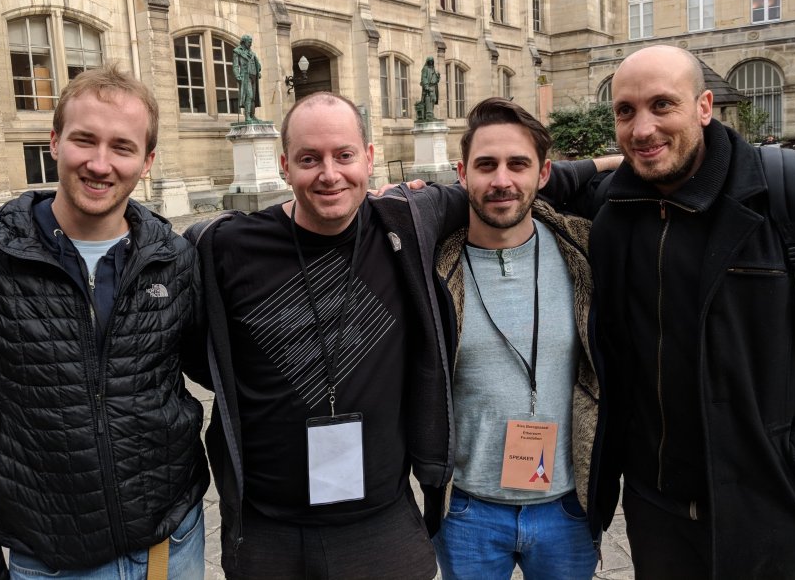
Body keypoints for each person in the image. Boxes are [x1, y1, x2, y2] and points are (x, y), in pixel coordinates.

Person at [186, 91, 600, 579]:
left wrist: (620, 160)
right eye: (309, 159)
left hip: (382, 520)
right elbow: (195, 355)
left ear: (369, 158)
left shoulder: (404, 221)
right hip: (268, 526)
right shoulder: (225, 245)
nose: (329, 174)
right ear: (284, 166)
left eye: (344, 155)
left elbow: (512, 184)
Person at [0, 64, 210, 579]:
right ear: (54, 142)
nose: (100, 163)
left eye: (122, 147)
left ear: (147, 162)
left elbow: (210, 369)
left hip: (173, 545)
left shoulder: (173, 258)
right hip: (53, 561)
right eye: (84, 140)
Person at [590, 45, 795, 578]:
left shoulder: (781, 193)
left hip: (771, 504)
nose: (642, 129)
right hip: (656, 511)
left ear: (705, 107)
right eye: (625, 111)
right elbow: (526, 181)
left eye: (663, 105)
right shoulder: (614, 214)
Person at [431, 98, 602, 579]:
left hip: (568, 508)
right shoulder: (433, 268)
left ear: (544, 173)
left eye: (518, 164)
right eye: (486, 165)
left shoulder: (584, 252)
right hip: (467, 511)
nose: (501, 180)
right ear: (462, 173)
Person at [233, 34, 262, 122]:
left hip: (254, 76)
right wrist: (237, 75)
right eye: (249, 42)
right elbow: (235, 65)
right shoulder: (237, 51)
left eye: (251, 42)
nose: (250, 44)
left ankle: (252, 115)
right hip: (245, 76)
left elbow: (257, 64)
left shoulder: (252, 53)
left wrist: (258, 71)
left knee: (253, 97)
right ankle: (247, 116)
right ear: (244, 42)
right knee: (249, 95)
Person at [421, 56, 440, 121]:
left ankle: (431, 114)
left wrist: (438, 76)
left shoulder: (433, 69)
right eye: (430, 61)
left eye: (432, 61)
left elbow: (436, 80)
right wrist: (427, 87)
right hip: (429, 87)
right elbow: (424, 78)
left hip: (434, 87)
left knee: (433, 100)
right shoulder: (425, 68)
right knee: (428, 100)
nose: (431, 63)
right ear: (428, 62)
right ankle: (428, 115)